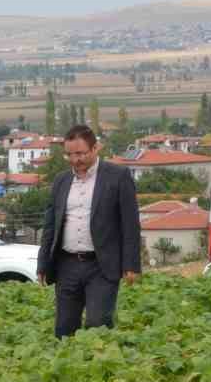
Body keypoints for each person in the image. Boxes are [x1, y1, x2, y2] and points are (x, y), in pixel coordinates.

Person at [36, 124, 140, 338]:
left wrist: (131, 264)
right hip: (67, 265)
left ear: (95, 149)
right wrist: (43, 263)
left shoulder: (118, 176)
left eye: (81, 153)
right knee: (64, 329)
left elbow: (130, 224)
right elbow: (50, 225)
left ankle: (101, 365)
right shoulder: (61, 181)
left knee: (98, 323)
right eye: (70, 155)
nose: (76, 160)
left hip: (102, 264)